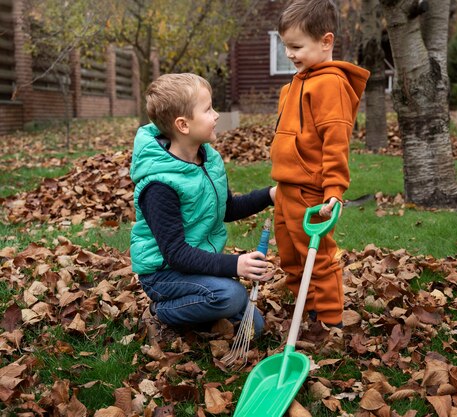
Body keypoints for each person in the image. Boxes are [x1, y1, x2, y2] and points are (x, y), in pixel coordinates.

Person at [130, 73, 275, 343]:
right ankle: (162, 311)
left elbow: (227, 208)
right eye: (208, 109)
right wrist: (236, 264)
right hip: (164, 274)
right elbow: (176, 254)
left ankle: (203, 303)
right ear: (183, 125)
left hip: (195, 266)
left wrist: (269, 195)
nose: (217, 115)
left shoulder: (208, 159)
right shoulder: (160, 185)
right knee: (231, 296)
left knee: (257, 327)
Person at [271, 0, 369, 327]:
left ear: (326, 42)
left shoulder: (331, 84)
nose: (289, 54)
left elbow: (336, 142)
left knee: (319, 257)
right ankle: (307, 309)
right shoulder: (294, 85)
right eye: (286, 46)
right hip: (286, 188)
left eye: (297, 46)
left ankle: (329, 321)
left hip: (310, 192)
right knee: (291, 257)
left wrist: (334, 190)